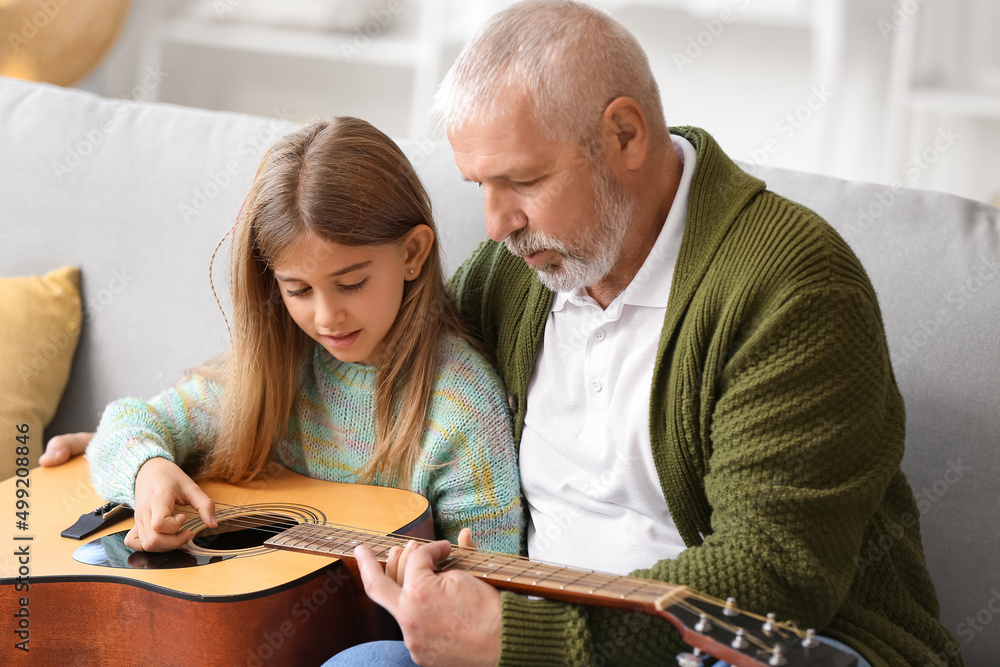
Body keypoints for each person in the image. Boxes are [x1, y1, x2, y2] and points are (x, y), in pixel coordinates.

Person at [339, 2, 964, 666]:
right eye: (481, 185)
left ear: (626, 134)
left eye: (523, 180)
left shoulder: (794, 286)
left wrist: (529, 641)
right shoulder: (516, 272)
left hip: (763, 646)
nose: (496, 223)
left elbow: (776, 573)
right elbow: (374, 357)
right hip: (539, 634)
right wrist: (218, 436)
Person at [47, 117, 524, 558]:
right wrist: (145, 472)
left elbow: (494, 580)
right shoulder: (280, 369)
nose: (327, 316)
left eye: (352, 283)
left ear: (413, 254)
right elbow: (129, 423)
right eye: (298, 289)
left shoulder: (461, 407)